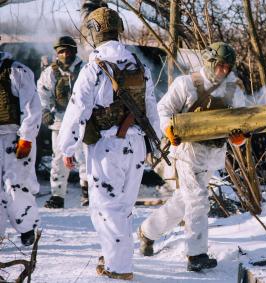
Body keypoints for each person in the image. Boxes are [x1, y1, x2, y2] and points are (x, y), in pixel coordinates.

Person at [58, 6, 160, 280]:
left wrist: (66, 147)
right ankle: (113, 256)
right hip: (136, 145)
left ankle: (119, 268)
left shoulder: (94, 68)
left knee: (106, 208)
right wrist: (156, 144)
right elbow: (152, 109)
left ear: (94, 33)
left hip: (108, 146)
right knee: (124, 207)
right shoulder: (140, 65)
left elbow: (77, 109)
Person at [137, 42, 247, 272]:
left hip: (213, 153)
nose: (223, 70)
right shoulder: (187, 83)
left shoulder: (233, 89)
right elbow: (163, 110)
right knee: (197, 199)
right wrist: (170, 130)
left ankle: (147, 231)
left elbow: (241, 123)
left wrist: (239, 138)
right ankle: (196, 255)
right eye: (220, 65)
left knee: (183, 200)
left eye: (227, 66)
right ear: (209, 62)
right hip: (188, 151)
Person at [37, 36, 89, 208]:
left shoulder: (85, 69)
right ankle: (57, 196)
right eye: (61, 51)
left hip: (83, 121)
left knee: (85, 157)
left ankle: (87, 192)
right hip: (60, 122)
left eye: (68, 50)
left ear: (74, 51)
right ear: (56, 53)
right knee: (59, 159)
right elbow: (43, 93)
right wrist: (45, 111)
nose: (65, 54)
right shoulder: (50, 73)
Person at [0, 51, 42, 246]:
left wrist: (26, 137)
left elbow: (32, 107)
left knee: (17, 185)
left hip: (13, 137)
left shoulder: (17, 71)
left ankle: (27, 228)